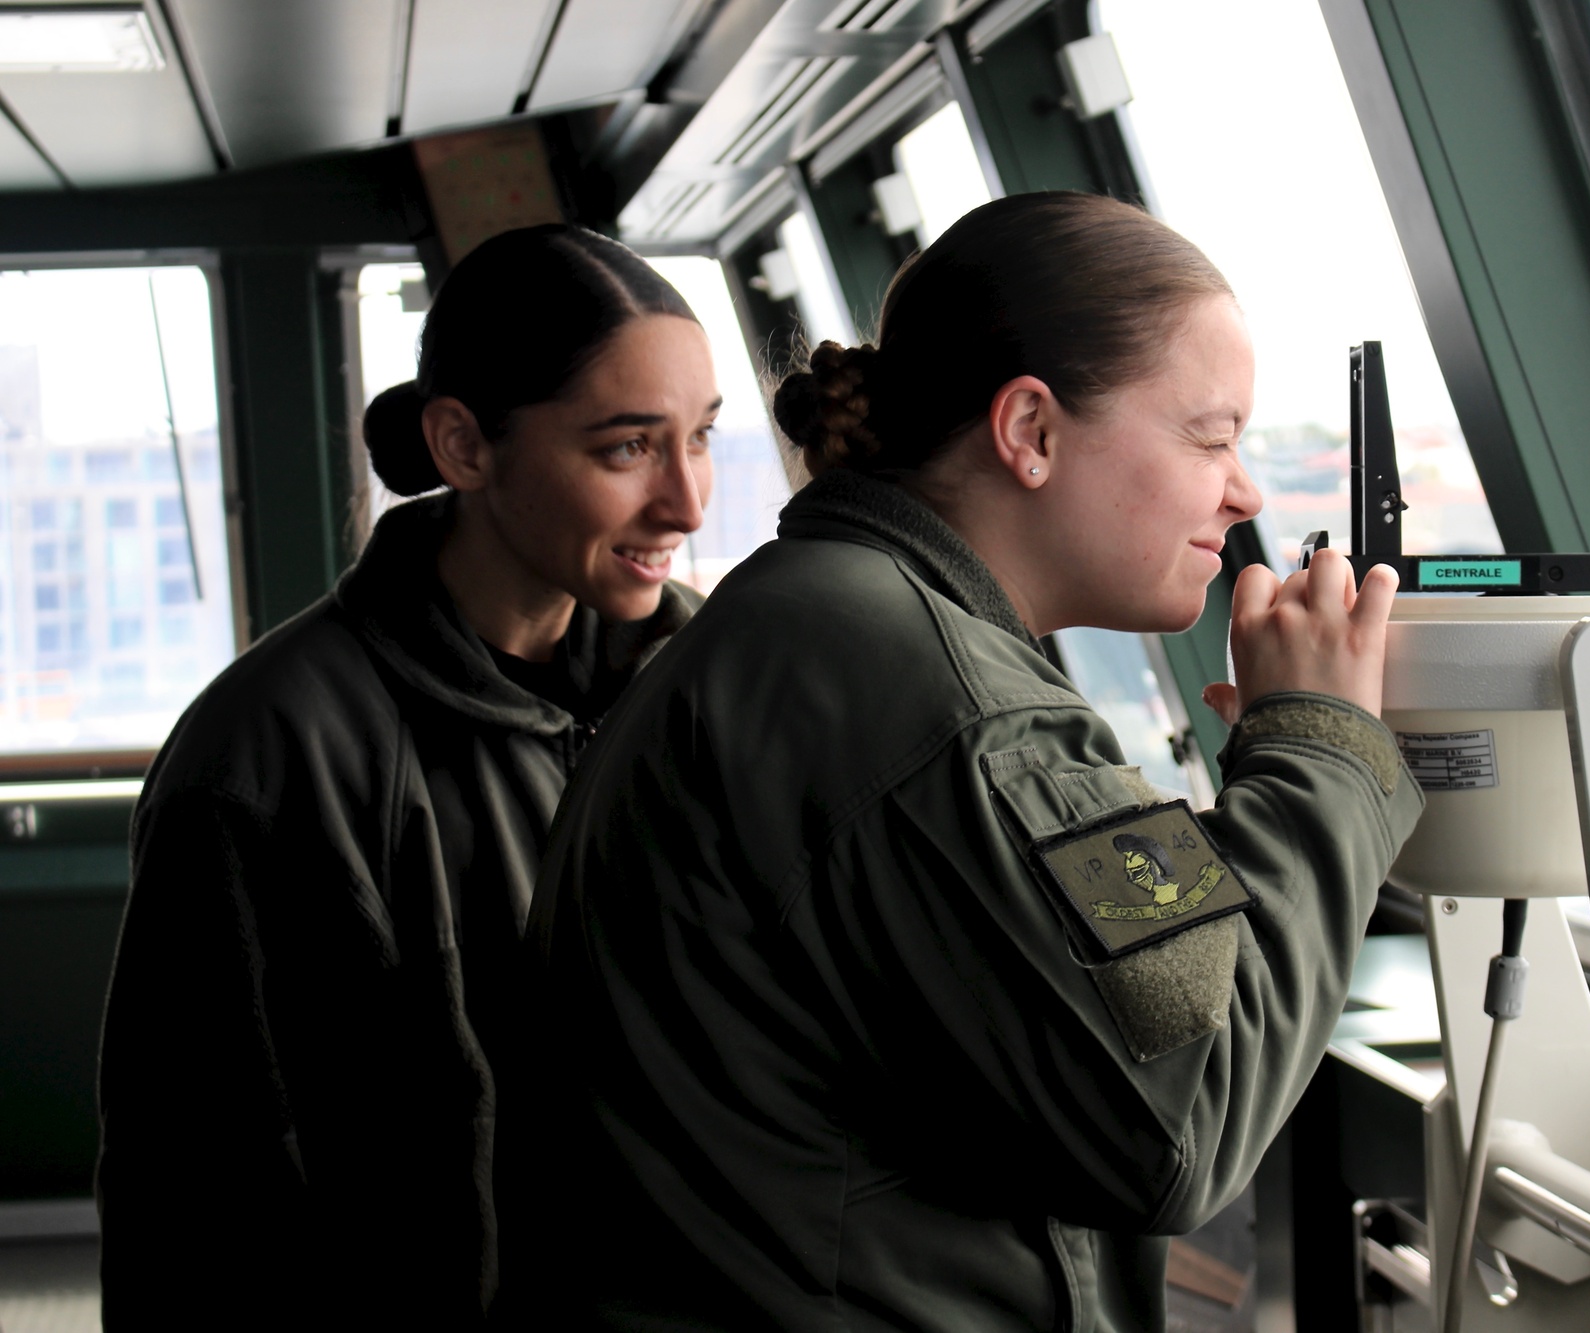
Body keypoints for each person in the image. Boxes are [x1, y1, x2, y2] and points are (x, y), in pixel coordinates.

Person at [501, 192, 1423, 1330]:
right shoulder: (957, 711)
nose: (1241, 492)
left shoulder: (826, 625)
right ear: (1029, 431)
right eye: (1210, 435)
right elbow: (1185, 1111)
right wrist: (1317, 753)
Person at [96, 224, 720, 1330]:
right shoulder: (263, 756)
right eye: (627, 448)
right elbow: (193, 1197)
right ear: (464, 446)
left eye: (701, 439)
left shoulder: (713, 696)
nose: (687, 503)